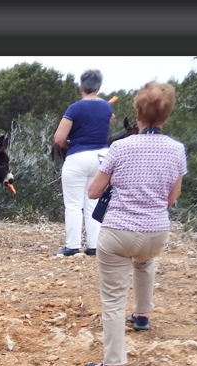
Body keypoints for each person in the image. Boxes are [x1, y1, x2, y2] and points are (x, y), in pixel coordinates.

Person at [84, 81, 187, 366]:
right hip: (156, 232)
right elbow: (171, 198)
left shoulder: (120, 147)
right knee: (145, 260)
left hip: (118, 232)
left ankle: (113, 363)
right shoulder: (176, 150)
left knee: (114, 298)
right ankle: (142, 314)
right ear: (166, 116)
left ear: (138, 113)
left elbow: (93, 192)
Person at [53, 69, 116, 257]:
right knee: (92, 202)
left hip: (78, 156)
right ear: (99, 87)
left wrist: (69, 145)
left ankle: (72, 246)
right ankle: (93, 245)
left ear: (81, 87)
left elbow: (59, 138)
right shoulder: (107, 107)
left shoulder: (74, 108)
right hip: (102, 158)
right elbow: (109, 121)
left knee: (73, 204)